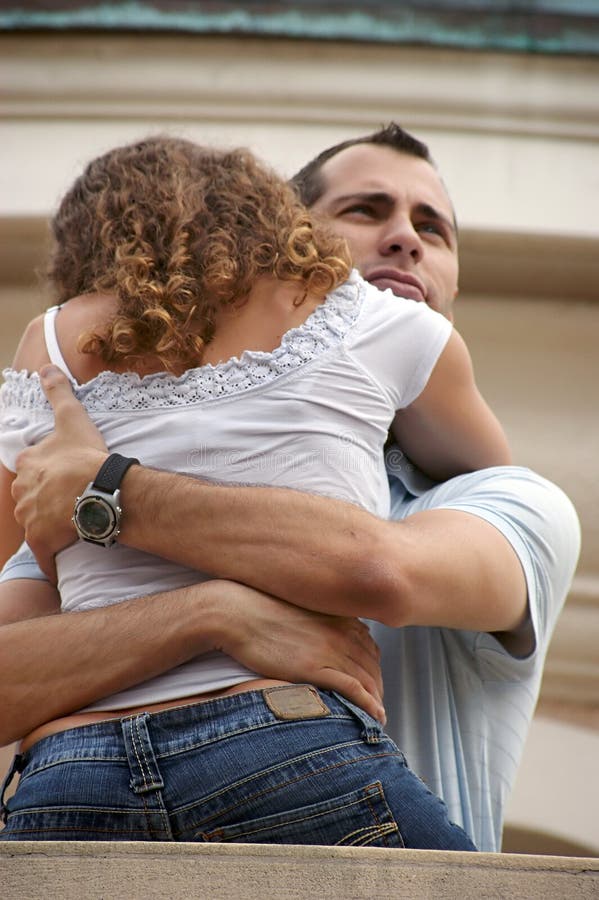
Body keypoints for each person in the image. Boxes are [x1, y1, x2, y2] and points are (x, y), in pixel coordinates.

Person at [0, 125, 579, 852]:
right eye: (366, 211)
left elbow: (378, 568)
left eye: (432, 226)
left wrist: (107, 490)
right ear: (288, 232)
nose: (404, 238)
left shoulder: (505, 505)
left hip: (68, 778)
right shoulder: (65, 494)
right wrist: (213, 613)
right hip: (295, 749)